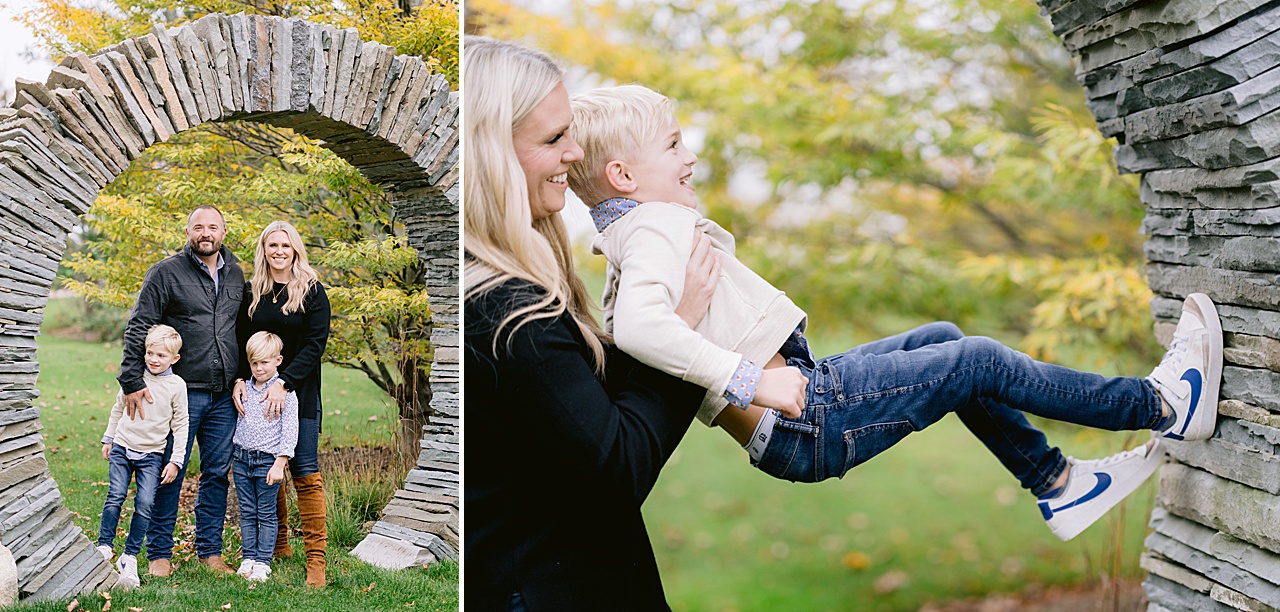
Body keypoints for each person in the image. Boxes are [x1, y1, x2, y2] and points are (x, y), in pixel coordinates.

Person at [565, 84, 1225, 542]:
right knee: (975, 359)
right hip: (802, 418)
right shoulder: (653, 228)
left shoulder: (639, 229)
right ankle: (1161, 405)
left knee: (940, 340)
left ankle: (1057, 481)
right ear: (624, 176)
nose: (691, 157)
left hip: (800, 410)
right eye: (675, 146)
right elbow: (641, 329)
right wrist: (747, 378)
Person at [463, 36, 723, 612]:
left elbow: (580, 416)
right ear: (492, 155)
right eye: (555, 138)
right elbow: (617, 467)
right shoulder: (504, 312)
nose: (577, 154)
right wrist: (678, 328)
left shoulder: (517, 281)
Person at [117, 205, 245, 576]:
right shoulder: (165, 272)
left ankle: (210, 551)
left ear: (224, 231)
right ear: (188, 231)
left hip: (223, 396)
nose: (206, 233)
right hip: (179, 394)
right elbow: (139, 326)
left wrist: (239, 377)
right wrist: (132, 380)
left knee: (217, 473)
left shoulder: (236, 275)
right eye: (199, 227)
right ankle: (159, 553)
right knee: (168, 470)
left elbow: (237, 331)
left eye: (213, 227)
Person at [234, 219, 331, 588]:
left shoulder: (311, 291)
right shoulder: (252, 291)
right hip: (256, 396)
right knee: (262, 466)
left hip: (300, 394)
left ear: (295, 250)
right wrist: (239, 380)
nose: (278, 251)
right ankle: (277, 545)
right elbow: (241, 341)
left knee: (304, 472)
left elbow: (315, 345)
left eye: (285, 246)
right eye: (272, 245)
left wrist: (285, 382)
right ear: (264, 250)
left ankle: (316, 561)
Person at [97, 325, 189, 588]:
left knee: (146, 502)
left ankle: (130, 555)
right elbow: (118, 408)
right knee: (115, 495)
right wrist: (109, 437)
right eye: (150, 353)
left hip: (152, 455)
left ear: (175, 359)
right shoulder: (135, 376)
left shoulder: (176, 385)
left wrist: (176, 460)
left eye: (161, 355)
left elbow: (181, 425)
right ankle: (104, 545)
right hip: (123, 448)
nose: (153, 359)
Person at [232, 331, 299, 583]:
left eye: (265, 363)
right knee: (247, 511)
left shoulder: (285, 393)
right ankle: (248, 557)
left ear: (278, 361)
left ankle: (263, 562)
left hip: (267, 462)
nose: (259, 368)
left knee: (266, 513)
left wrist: (280, 463)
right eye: (254, 363)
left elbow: (290, 430)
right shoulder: (243, 388)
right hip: (240, 459)